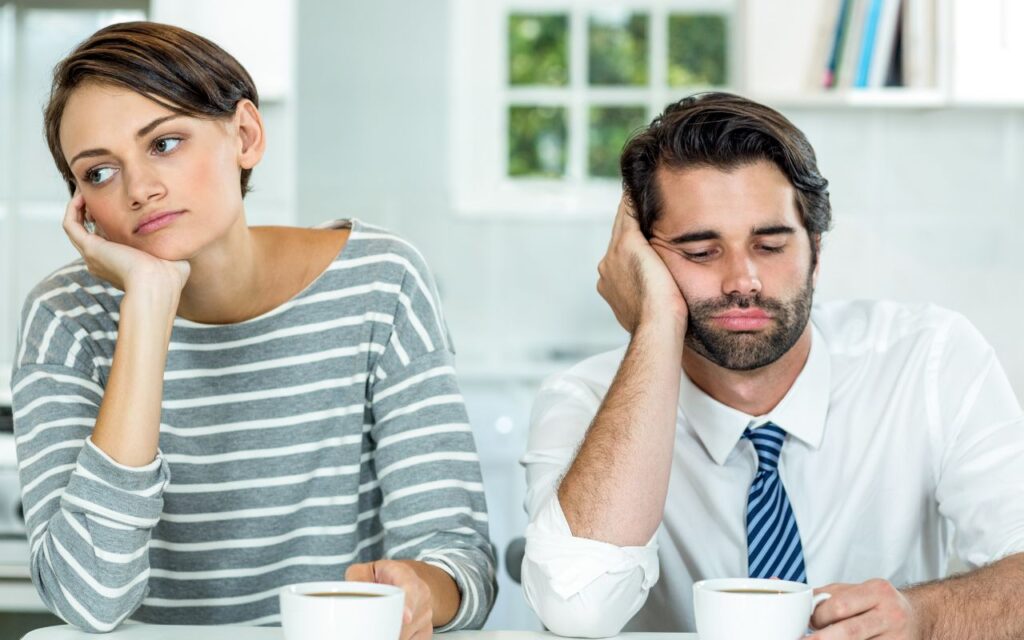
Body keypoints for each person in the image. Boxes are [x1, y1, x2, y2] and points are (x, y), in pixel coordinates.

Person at [11, 21, 495, 635]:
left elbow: (462, 563)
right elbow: (87, 602)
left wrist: (424, 590)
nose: (140, 189)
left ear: (245, 134)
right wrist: (148, 308)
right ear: (83, 207)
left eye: (163, 144)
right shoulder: (64, 318)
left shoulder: (381, 282)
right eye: (99, 173)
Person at [520, 92, 1024, 638]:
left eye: (770, 245)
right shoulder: (584, 401)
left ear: (816, 253)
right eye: (700, 251)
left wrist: (925, 617)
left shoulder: (931, 359)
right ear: (642, 261)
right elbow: (578, 608)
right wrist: (657, 322)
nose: (743, 280)